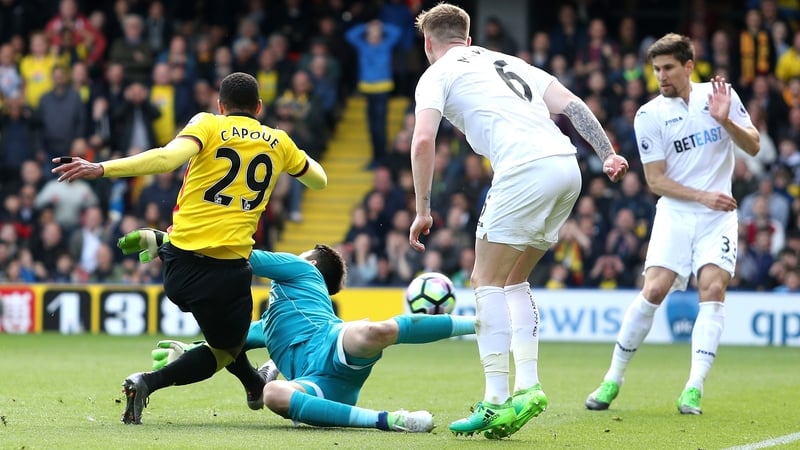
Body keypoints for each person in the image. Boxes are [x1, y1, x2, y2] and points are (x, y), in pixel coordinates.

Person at [51, 72, 329, 425]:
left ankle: (254, 385)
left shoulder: (208, 124)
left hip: (179, 267)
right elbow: (319, 181)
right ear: (259, 107)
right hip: (227, 273)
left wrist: (101, 167)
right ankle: (148, 382)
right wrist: (295, 156)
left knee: (221, 337)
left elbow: (166, 159)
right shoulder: (279, 141)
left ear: (220, 105)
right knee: (226, 351)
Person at [408, 3, 629, 439]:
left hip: (525, 170)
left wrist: (422, 209)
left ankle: (493, 402)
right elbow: (573, 105)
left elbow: (421, 141)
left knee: (484, 281)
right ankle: (528, 386)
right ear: (468, 39)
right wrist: (607, 153)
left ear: (429, 43)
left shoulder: (435, 73)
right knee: (513, 281)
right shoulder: (508, 61)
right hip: (568, 168)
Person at [128, 229, 475, 432]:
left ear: (309, 263)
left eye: (301, 254)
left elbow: (235, 252)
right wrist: (187, 352)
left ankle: (476, 325)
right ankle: (390, 420)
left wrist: (168, 238)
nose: (293, 255)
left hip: (333, 345)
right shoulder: (269, 326)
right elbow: (225, 349)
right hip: (316, 387)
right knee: (273, 394)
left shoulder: (301, 271)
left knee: (372, 331)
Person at [584, 33, 760, 415]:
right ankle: (613, 378)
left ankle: (693, 387)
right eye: (656, 69)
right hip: (678, 212)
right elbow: (655, 180)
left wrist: (725, 120)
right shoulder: (649, 115)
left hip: (719, 216)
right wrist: (702, 196)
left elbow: (754, 146)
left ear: (688, 66)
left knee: (713, 290)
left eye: (667, 68)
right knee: (655, 289)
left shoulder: (720, 95)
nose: (660, 76)